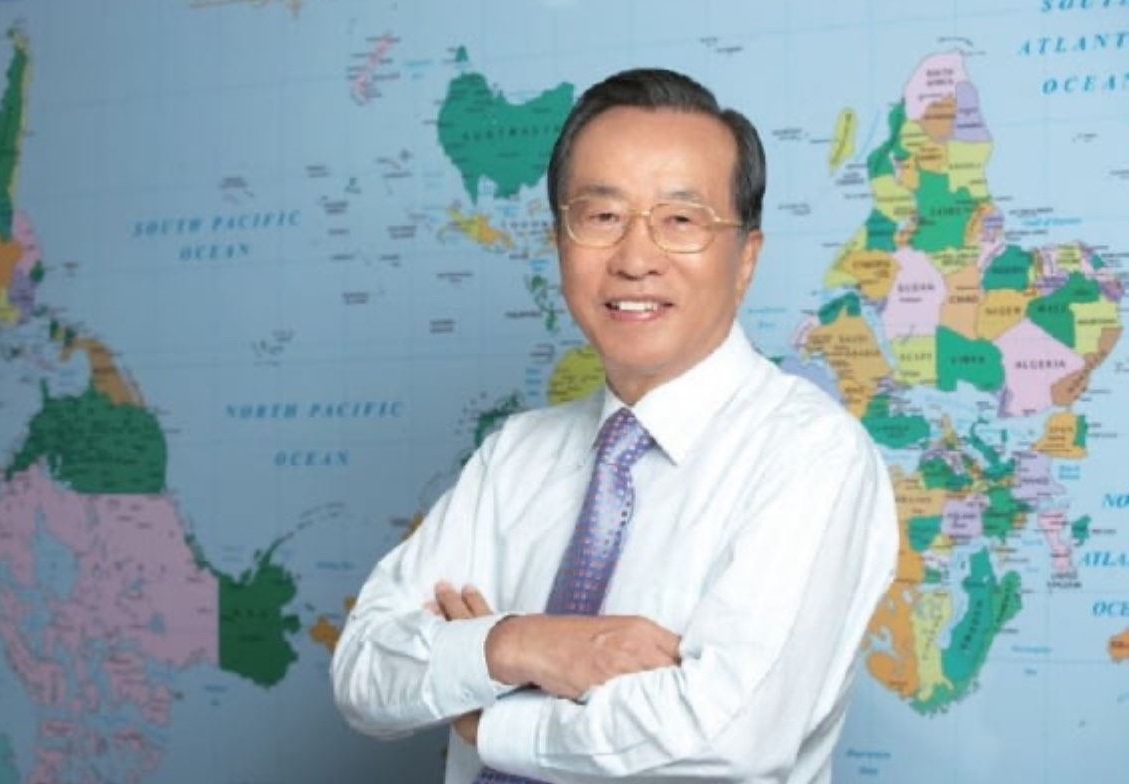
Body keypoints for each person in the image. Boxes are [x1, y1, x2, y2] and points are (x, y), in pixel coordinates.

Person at [331, 67, 898, 783]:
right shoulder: (515, 455)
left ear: (745, 259)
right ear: (560, 242)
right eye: (602, 217)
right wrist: (519, 645)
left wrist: (487, 718)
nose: (634, 259)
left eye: (681, 220)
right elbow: (362, 670)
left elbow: (728, 736)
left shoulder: (808, 455)